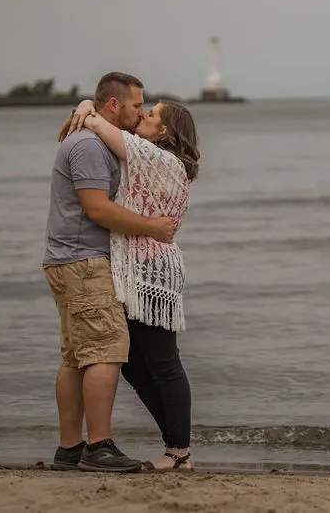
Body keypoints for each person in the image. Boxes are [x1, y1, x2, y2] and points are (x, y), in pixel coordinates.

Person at [43, 72, 177, 473]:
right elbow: (97, 209)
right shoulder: (88, 145)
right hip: (83, 260)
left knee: (76, 357)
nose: (141, 112)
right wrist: (152, 227)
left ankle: (69, 449)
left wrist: (84, 106)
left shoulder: (94, 136)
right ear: (115, 106)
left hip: (69, 258)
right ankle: (98, 447)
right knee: (106, 350)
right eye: (138, 106)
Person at [62, 96, 200, 472]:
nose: (143, 114)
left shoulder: (160, 159)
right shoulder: (151, 159)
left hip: (152, 277)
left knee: (165, 364)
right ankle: (175, 443)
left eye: (151, 114)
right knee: (135, 366)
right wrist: (88, 103)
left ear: (164, 131)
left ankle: (179, 453)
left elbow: (101, 127)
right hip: (137, 274)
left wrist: (85, 109)